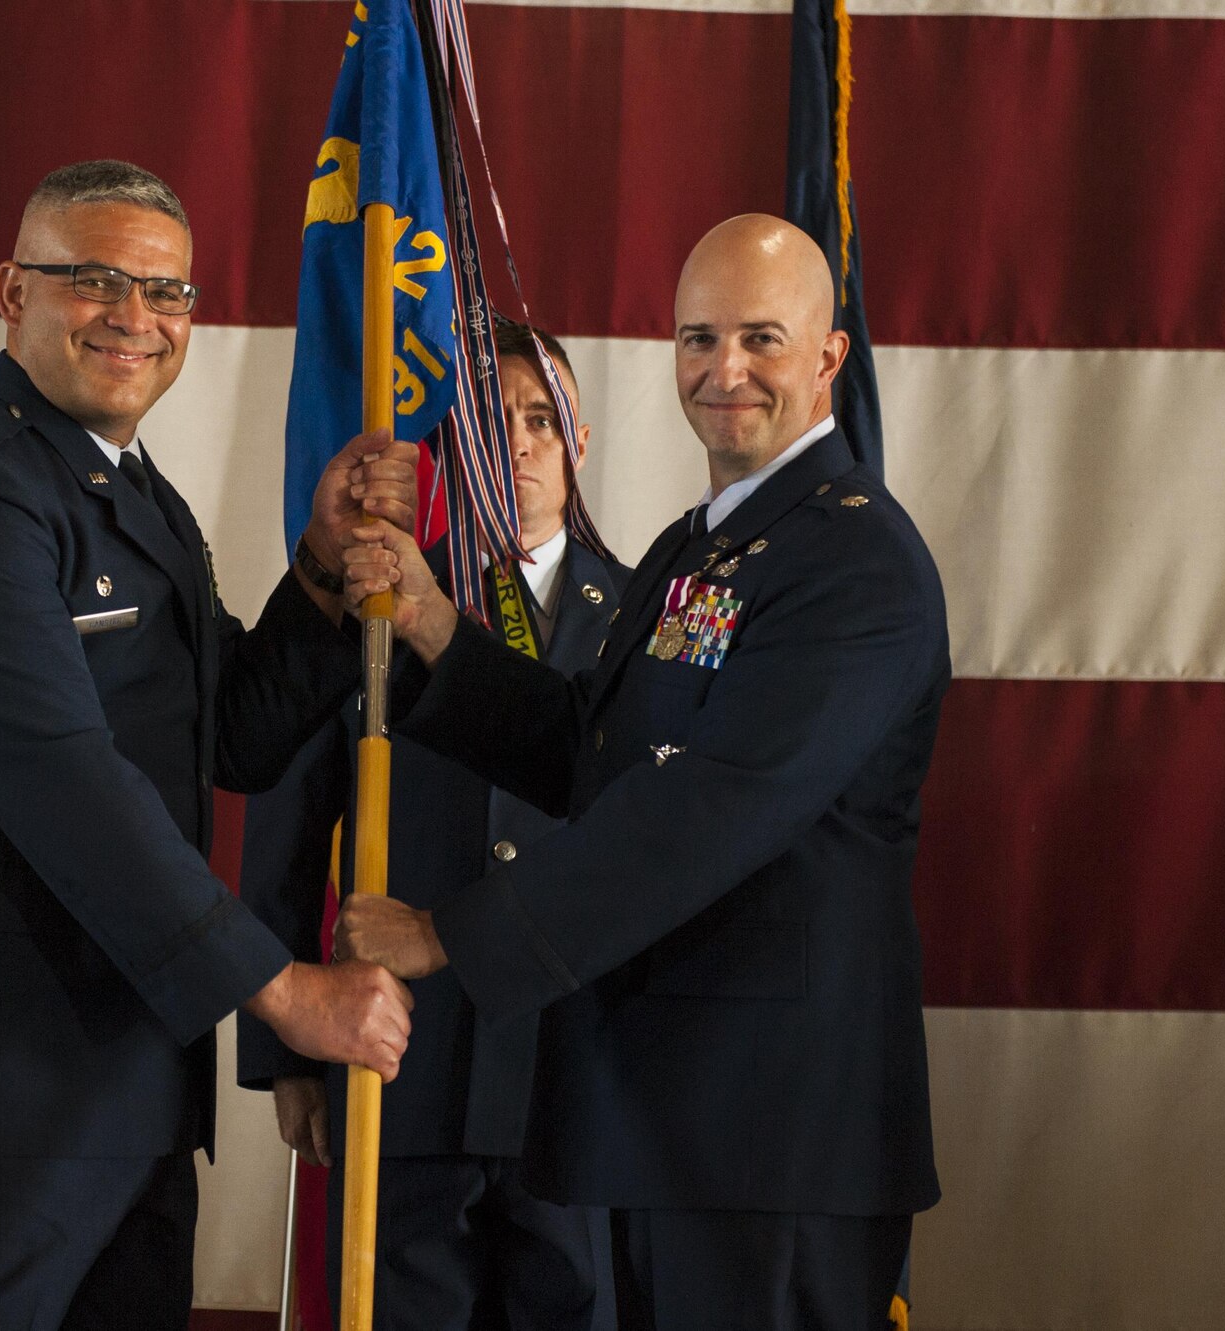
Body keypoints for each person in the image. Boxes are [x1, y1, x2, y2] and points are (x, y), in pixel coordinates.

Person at [0, 160, 419, 1331]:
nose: (134, 316)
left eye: (167, 291)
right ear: (11, 292)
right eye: (93, 280)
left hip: (122, 1093)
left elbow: (226, 733)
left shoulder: (128, 493)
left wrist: (324, 568)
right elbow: (65, 783)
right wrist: (284, 990)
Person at [334, 216, 947, 1331]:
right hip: (667, 1110)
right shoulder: (697, 546)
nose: (723, 370)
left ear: (828, 357)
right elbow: (593, 748)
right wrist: (436, 630)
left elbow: (708, 810)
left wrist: (450, 933)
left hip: (772, 1135)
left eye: (760, 338)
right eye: (696, 337)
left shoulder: (856, 561)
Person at [238, 320, 628, 1331]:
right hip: (401, 1065)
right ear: (455, 455)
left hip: (571, 1078)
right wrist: (284, 1053)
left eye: (543, 419)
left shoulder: (644, 622)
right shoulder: (380, 596)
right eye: (494, 425)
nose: (524, 443)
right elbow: (286, 813)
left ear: (579, 442)